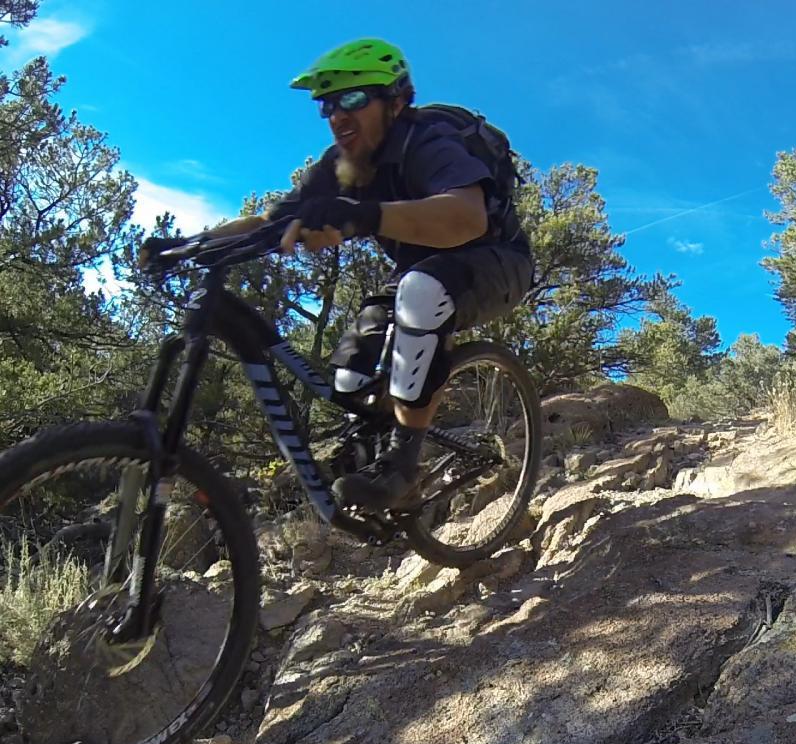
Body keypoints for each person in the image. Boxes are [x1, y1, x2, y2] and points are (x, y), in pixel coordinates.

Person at [157, 37, 533, 513]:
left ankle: (403, 465)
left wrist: (363, 215)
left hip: (497, 259)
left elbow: (466, 217)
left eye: (353, 98)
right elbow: (269, 222)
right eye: (327, 104)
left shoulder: (427, 142)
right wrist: (189, 246)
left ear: (395, 101)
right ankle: (370, 453)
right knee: (350, 378)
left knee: (421, 291)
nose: (337, 115)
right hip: (421, 274)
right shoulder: (342, 167)